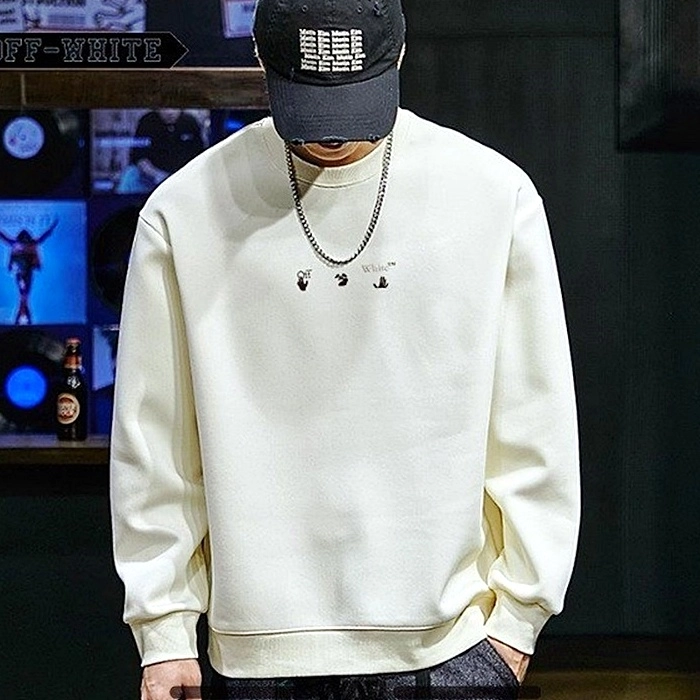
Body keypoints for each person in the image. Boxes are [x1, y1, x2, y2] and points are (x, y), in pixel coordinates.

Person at [109, 1, 581, 699]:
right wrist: (164, 632)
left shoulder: (492, 195)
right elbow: (156, 446)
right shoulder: (184, 211)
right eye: (308, 104)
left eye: (355, 103)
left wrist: (518, 620)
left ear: (398, 54)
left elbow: (535, 426)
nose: (331, 134)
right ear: (262, 60)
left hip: (449, 648)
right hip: (258, 655)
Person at [115, 109, 205, 194]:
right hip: (152, 176)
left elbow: (200, 157)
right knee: (130, 174)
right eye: (165, 108)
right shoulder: (147, 122)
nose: (169, 112)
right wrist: (157, 175)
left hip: (184, 178)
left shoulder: (190, 122)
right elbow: (139, 157)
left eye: (174, 108)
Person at [1, 218, 58, 325]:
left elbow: (44, 236)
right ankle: (24, 319)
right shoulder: (24, 244)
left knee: (24, 294)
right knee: (24, 294)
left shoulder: (27, 244)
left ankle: (21, 318)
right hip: (20, 272)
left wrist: (52, 227)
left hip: (26, 272)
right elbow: (3, 236)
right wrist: (51, 228)